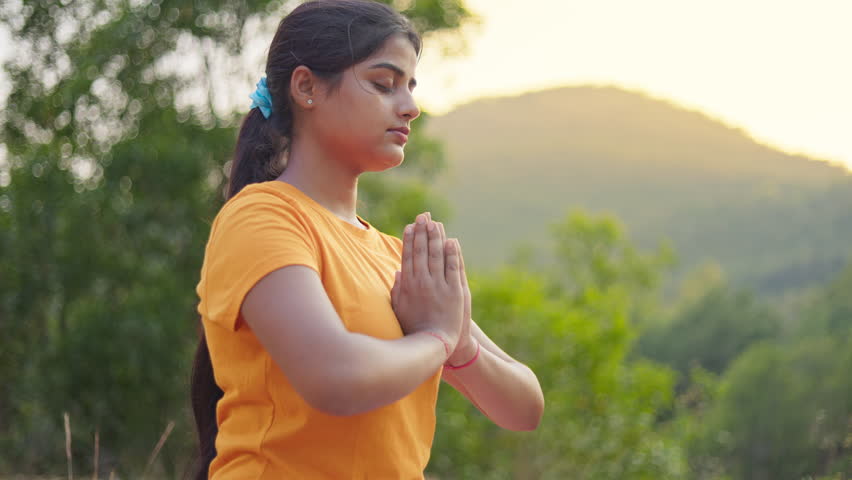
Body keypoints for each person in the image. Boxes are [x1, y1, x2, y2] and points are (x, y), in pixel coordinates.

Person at [190, 1, 544, 478]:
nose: (411, 107)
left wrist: (459, 345)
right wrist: (437, 337)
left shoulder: (394, 258)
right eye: (384, 84)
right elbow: (334, 378)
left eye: (411, 87)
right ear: (307, 87)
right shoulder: (262, 218)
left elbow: (523, 410)